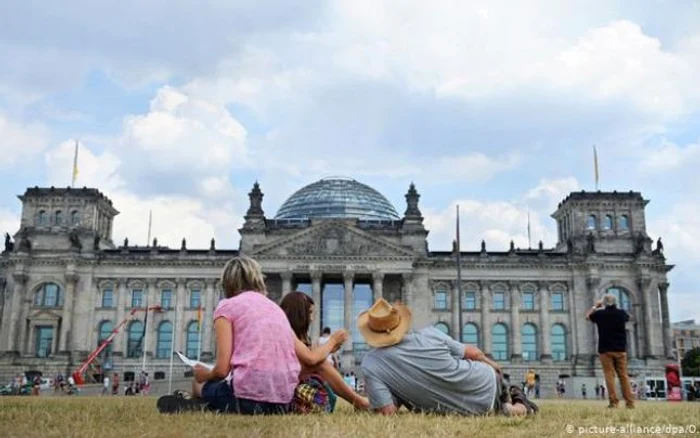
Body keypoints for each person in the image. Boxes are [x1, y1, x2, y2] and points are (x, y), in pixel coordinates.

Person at [160, 256, 301, 414]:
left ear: (227, 282)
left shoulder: (227, 306)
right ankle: (207, 407)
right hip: (284, 404)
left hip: (247, 401)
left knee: (199, 383)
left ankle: (194, 406)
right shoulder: (276, 309)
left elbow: (221, 371)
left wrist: (204, 374)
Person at [358, 298, 538, 416]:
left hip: (472, 409)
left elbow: (388, 411)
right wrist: (493, 365)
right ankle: (514, 398)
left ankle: (513, 407)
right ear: (400, 324)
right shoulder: (429, 333)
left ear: (372, 333)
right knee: (502, 389)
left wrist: (396, 394)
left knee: (503, 409)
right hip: (485, 378)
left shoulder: (371, 363)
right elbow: (473, 353)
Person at [279, 291, 369, 411]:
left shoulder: (287, 330)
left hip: (282, 386)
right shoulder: (285, 330)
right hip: (279, 390)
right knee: (318, 364)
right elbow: (311, 359)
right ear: (299, 314)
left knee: (318, 363)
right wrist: (331, 341)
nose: (311, 319)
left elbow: (305, 359)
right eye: (309, 313)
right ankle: (359, 402)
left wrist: (329, 349)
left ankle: (359, 401)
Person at [586, 294, 634, 409]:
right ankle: (630, 403)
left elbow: (587, 316)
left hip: (605, 349)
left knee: (609, 376)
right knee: (623, 376)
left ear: (604, 303)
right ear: (615, 302)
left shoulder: (600, 314)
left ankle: (613, 402)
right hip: (620, 349)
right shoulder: (621, 313)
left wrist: (595, 306)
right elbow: (628, 318)